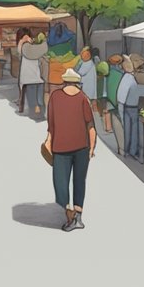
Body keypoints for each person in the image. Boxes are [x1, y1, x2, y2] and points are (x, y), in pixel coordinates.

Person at [46, 67, 96, 232]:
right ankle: (78, 216)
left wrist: (49, 140)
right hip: (82, 147)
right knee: (79, 181)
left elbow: (51, 124)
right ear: (77, 83)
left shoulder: (55, 97)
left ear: (64, 81)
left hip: (60, 146)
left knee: (60, 182)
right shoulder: (83, 98)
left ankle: (69, 214)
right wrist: (91, 148)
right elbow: (91, 126)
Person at [115, 58, 144, 162]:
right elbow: (143, 91)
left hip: (123, 104)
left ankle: (126, 150)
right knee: (134, 129)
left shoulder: (125, 77)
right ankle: (133, 151)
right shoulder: (133, 79)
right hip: (131, 106)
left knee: (127, 128)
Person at [17, 28, 48, 116]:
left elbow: (19, 50)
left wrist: (22, 41)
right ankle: (39, 113)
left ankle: (35, 113)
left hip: (28, 79)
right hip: (37, 78)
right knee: (39, 99)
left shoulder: (23, 48)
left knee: (33, 100)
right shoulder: (36, 47)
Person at [74, 47, 99, 122]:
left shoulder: (87, 63)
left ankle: (91, 119)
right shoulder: (88, 62)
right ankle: (95, 119)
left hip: (87, 87)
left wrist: (75, 69)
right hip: (88, 86)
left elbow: (80, 72)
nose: (83, 56)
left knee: (88, 103)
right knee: (92, 103)